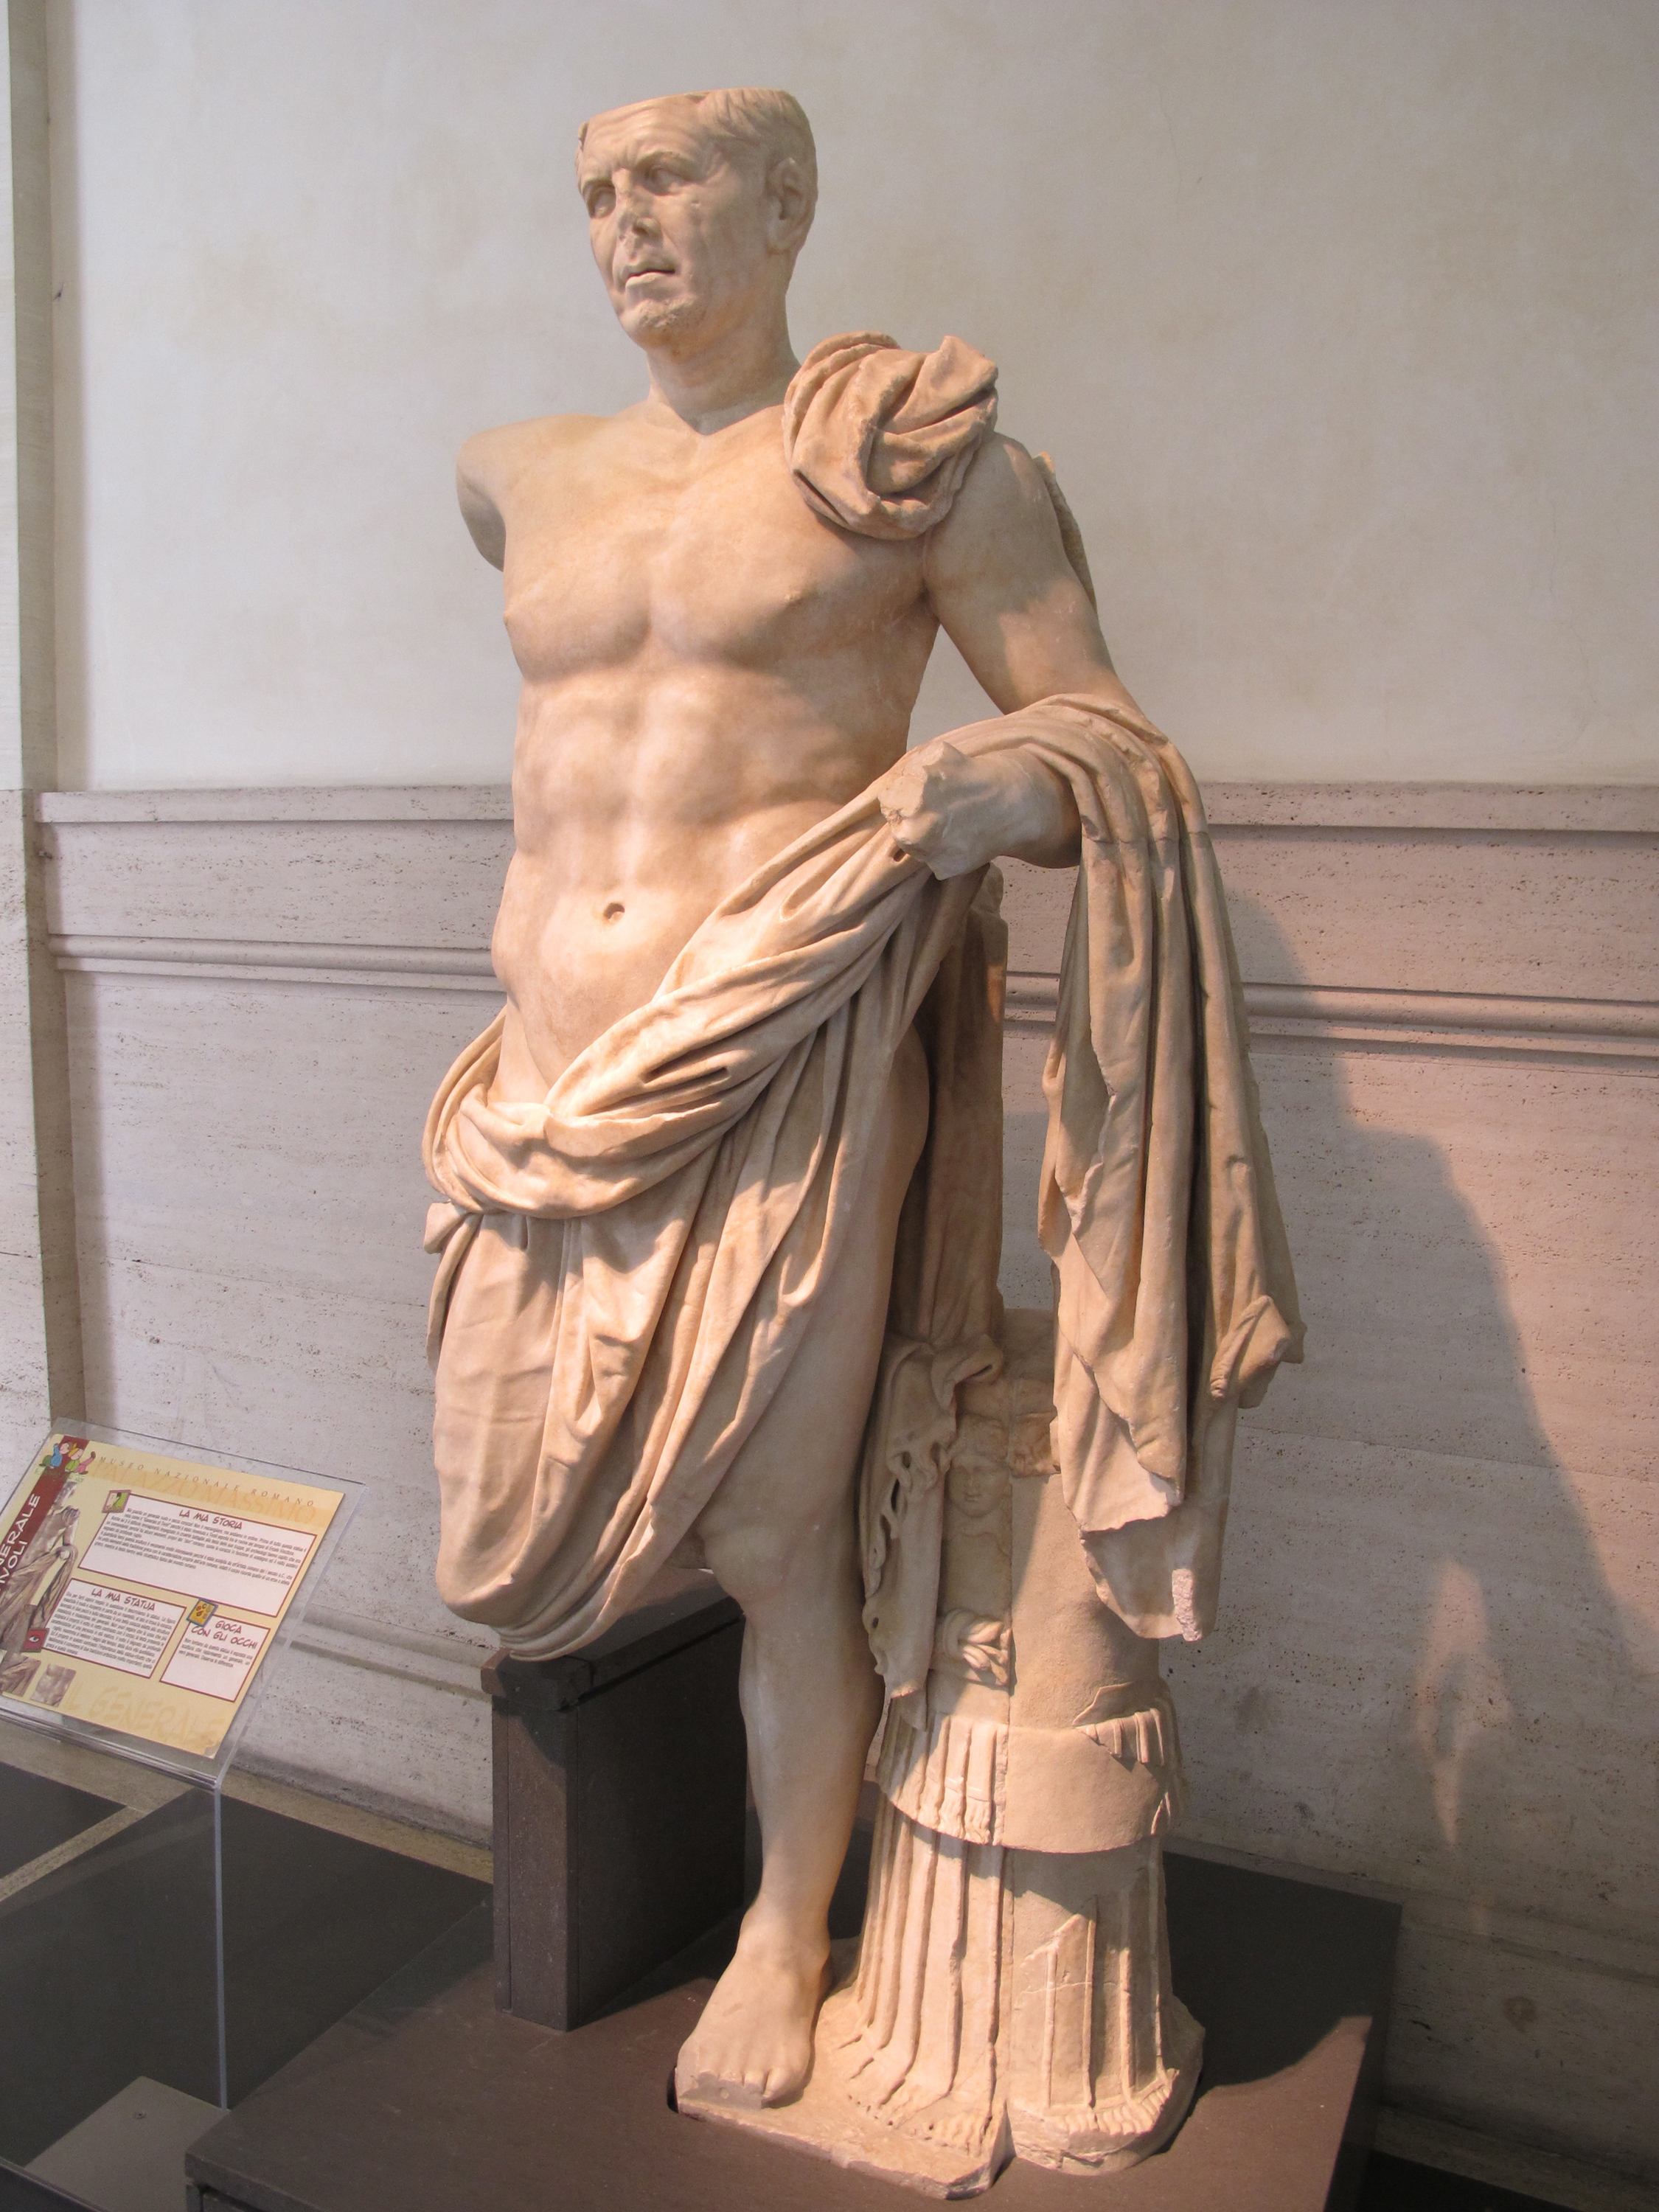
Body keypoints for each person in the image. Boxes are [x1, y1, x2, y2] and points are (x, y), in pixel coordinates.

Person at [427, 86, 1298, 2112]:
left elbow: (1105, 740)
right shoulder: (513, 475)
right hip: (541, 1085)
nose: (626, 224)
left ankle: (778, 1933)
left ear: (785, 202)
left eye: (670, 181)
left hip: (785, 1068)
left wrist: (1011, 784)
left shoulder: (913, 471)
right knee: (496, 1537)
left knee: (775, 1540)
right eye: (596, 193)